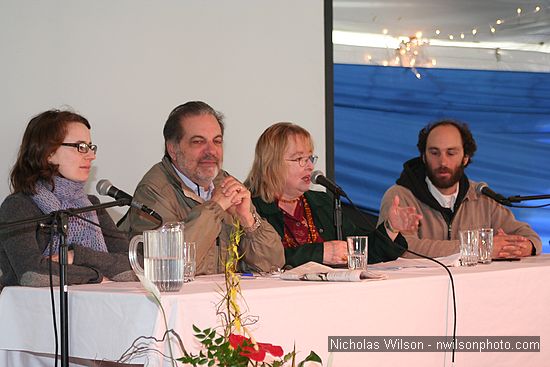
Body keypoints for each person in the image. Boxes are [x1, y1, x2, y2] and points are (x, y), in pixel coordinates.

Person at [119, 101, 284, 274]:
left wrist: (248, 221)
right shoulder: (154, 191)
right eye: (198, 142)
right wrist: (216, 208)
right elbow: (169, 266)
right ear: (173, 150)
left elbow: (273, 265)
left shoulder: (226, 183)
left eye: (217, 141)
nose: (211, 151)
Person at [244, 122, 422, 268]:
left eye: (310, 158)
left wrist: (391, 228)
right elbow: (256, 261)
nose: (310, 167)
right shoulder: (249, 207)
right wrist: (320, 253)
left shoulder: (322, 201)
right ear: (271, 163)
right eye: (300, 159)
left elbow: (365, 252)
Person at [0, 110, 136, 290]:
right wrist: (96, 274)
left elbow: (133, 265)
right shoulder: (19, 205)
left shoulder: (92, 204)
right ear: (48, 152)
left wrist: (75, 256)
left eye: (90, 147)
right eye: (81, 147)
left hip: (95, 309)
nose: (91, 156)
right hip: (36, 314)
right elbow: (33, 274)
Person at [378, 119, 542, 258]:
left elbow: (530, 237)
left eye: (451, 153)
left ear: (465, 157)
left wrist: (524, 246)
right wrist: (478, 248)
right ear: (423, 156)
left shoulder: (481, 196)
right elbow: (400, 248)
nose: (442, 162)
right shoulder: (400, 196)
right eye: (434, 153)